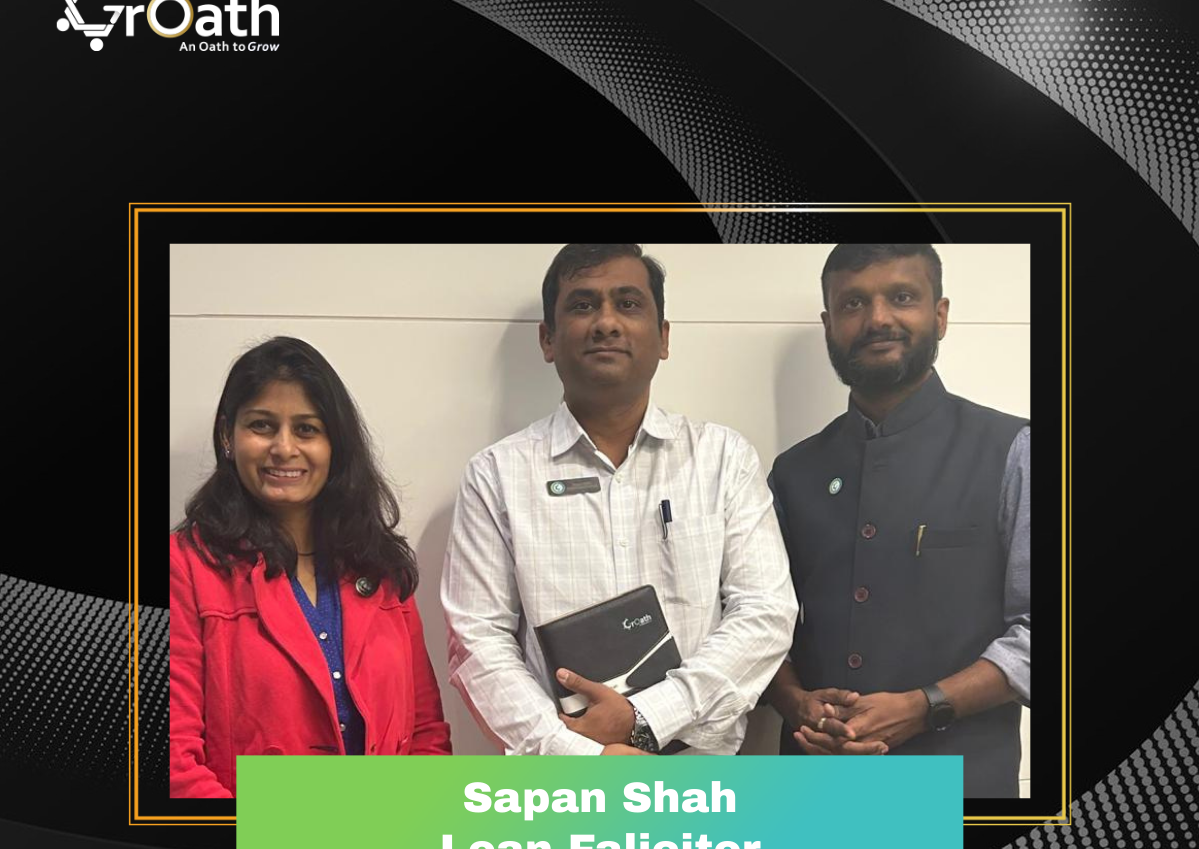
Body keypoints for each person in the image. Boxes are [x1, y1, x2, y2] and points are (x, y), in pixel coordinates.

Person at [441, 243, 797, 756]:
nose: (606, 322)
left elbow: (766, 612)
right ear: (547, 338)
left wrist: (646, 717)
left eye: (628, 304)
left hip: (700, 769)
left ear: (663, 337)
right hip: (563, 775)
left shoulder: (723, 458)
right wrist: (582, 756)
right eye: (583, 305)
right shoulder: (496, 475)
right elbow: (478, 642)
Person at [766, 244, 1030, 798]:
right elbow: (758, 621)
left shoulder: (1015, 449)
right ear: (829, 325)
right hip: (813, 784)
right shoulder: (792, 472)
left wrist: (924, 706)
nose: (878, 318)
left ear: (940, 314)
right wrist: (794, 703)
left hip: (960, 788)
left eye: (902, 297)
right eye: (853, 303)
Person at [170, 336, 452, 798]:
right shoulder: (183, 568)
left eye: (306, 429)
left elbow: (426, 735)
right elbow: (173, 763)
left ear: (334, 443)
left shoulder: (379, 565)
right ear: (227, 436)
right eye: (262, 425)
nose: (284, 448)